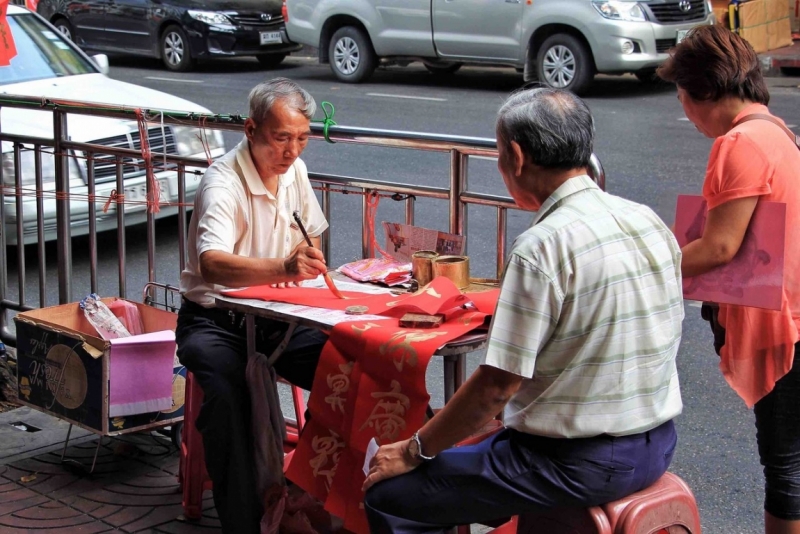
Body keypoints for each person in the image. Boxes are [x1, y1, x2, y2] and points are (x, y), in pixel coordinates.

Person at [361, 87, 685, 534]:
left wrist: (415, 449)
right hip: (657, 443)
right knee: (471, 451)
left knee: (390, 497)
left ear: (515, 156)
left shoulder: (542, 246)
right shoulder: (645, 219)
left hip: (576, 463)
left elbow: (498, 386)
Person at [657, 25, 800, 534]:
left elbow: (721, 246)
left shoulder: (740, 143)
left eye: (682, 95)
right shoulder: (776, 130)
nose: (686, 110)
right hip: (791, 310)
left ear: (705, 91)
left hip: (785, 324)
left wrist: (647, 269)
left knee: (784, 466)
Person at [176, 78, 330, 534]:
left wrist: (305, 257)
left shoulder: (293, 172)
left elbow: (311, 232)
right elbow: (212, 264)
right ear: (250, 129)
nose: (292, 151)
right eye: (281, 137)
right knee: (229, 401)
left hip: (275, 316)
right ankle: (245, 523)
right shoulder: (223, 182)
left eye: (302, 138)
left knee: (346, 371)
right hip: (214, 321)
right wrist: (284, 265)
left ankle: (312, 496)